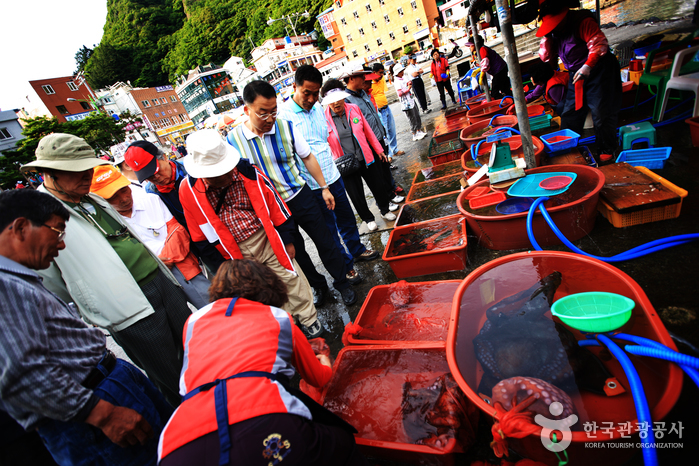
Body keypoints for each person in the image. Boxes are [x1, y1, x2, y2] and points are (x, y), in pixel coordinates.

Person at [0, 189, 174, 465]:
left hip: (104, 388)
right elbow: (22, 373)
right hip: (90, 412)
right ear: (21, 228)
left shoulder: (17, 276)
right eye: (57, 232)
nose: (61, 245)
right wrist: (100, 413)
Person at [20, 133, 193, 407]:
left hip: (159, 281)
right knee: (169, 373)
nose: (86, 175)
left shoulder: (90, 198)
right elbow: (51, 282)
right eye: (76, 171)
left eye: (87, 167)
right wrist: (93, 297)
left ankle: (220, 401)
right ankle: (198, 423)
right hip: (127, 306)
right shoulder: (39, 215)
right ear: (47, 174)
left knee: (194, 348)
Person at [158, 259, 367, 466]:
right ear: (267, 286)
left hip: (178, 443)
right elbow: (318, 378)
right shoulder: (278, 317)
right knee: (342, 442)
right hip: (262, 423)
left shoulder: (193, 321)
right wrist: (324, 362)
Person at [179, 129, 324, 337]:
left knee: (289, 276)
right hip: (232, 249)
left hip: (265, 236)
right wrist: (222, 266)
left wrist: (287, 239)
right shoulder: (188, 190)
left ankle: (309, 318)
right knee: (260, 289)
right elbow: (199, 233)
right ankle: (286, 324)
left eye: (224, 171)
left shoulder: (248, 171)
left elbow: (275, 203)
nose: (222, 177)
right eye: (215, 175)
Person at [226, 80, 358, 308]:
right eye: (263, 113)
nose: (270, 119)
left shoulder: (286, 127)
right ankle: (318, 285)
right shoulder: (233, 140)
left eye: (273, 111)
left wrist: (324, 187)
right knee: (295, 251)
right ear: (247, 110)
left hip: (300, 195)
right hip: (272, 208)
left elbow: (307, 157)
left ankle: (342, 282)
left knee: (325, 240)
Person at [278, 65, 380, 286]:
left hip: (333, 175)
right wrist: (318, 185)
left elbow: (325, 142)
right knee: (329, 229)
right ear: (294, 86)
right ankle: (345, 266)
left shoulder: (317, 108)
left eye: (316, 93)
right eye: (307, 92)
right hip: (313, 185)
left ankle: (356, 249)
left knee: (347, 218)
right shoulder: (284, 117)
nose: (312, 98)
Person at [90, 164, 211, 309]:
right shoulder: (103, 225)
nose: (123, 199)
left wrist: (163, 260)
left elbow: (178, 231)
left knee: (214, 306)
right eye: (113, 197)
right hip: (150, 282)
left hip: (183, 268)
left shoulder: (151, 201)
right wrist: (153, 264)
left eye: (124, 190)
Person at [124, 140, 222, 273]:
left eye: (157, 171)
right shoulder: (151, 192)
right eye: (149, 177)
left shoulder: (192, 170)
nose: (156, 178)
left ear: (164, 157)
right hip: (200, 247)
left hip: (222, 232)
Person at [537, 2, 622, 157]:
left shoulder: (582, 21)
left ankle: (607, 152)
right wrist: (547, 37)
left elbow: (599, 45)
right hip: (576, 74)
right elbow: (545, 57)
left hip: (599, 70)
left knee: (600, 113)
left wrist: (587, 67)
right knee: (569, 113)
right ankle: (566, 151)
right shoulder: (554, 33)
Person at [321, 80, 398, 231]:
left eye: (339, 99)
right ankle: (368, 218)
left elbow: (368, 131)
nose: (336, 103)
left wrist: (379, 150)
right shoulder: (323, 119)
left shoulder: (353, 109)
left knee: (378, 185)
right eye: (332, 101)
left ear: (343, 97)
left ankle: (384, 210)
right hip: (345, 164)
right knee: (356, 194)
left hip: (365, 157)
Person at [342, 64, 405, 200]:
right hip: (368, 141)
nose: (364, 79)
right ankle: (386, 198)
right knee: (377, 173)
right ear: (352, 78)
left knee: (385, 167)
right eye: (361, 77)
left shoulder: (363, 92)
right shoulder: (346, 100)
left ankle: (391, 191)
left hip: (378, 135)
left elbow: (372, 114)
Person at [371, 63, 405, 159]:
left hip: (386, 107)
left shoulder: (381, 80)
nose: (382, 75)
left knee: (392, 130)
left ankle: (394, 150)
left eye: (383, 73)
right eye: (380, 73)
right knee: (385, 133)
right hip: (379, 111)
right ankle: (389, 154)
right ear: (374, 72)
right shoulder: (369, 83)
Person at [393, 63, 427, 141]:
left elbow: (409, 81)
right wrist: (408, 89)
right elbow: (400, 93)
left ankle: (418, 130)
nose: (403, 72)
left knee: (416, 115)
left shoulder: (403, 77)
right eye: (401, 71)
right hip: (406, 104)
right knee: (412, 118)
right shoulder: (397, 81)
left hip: (411, 99)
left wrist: (409, 83)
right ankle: (414, 133)